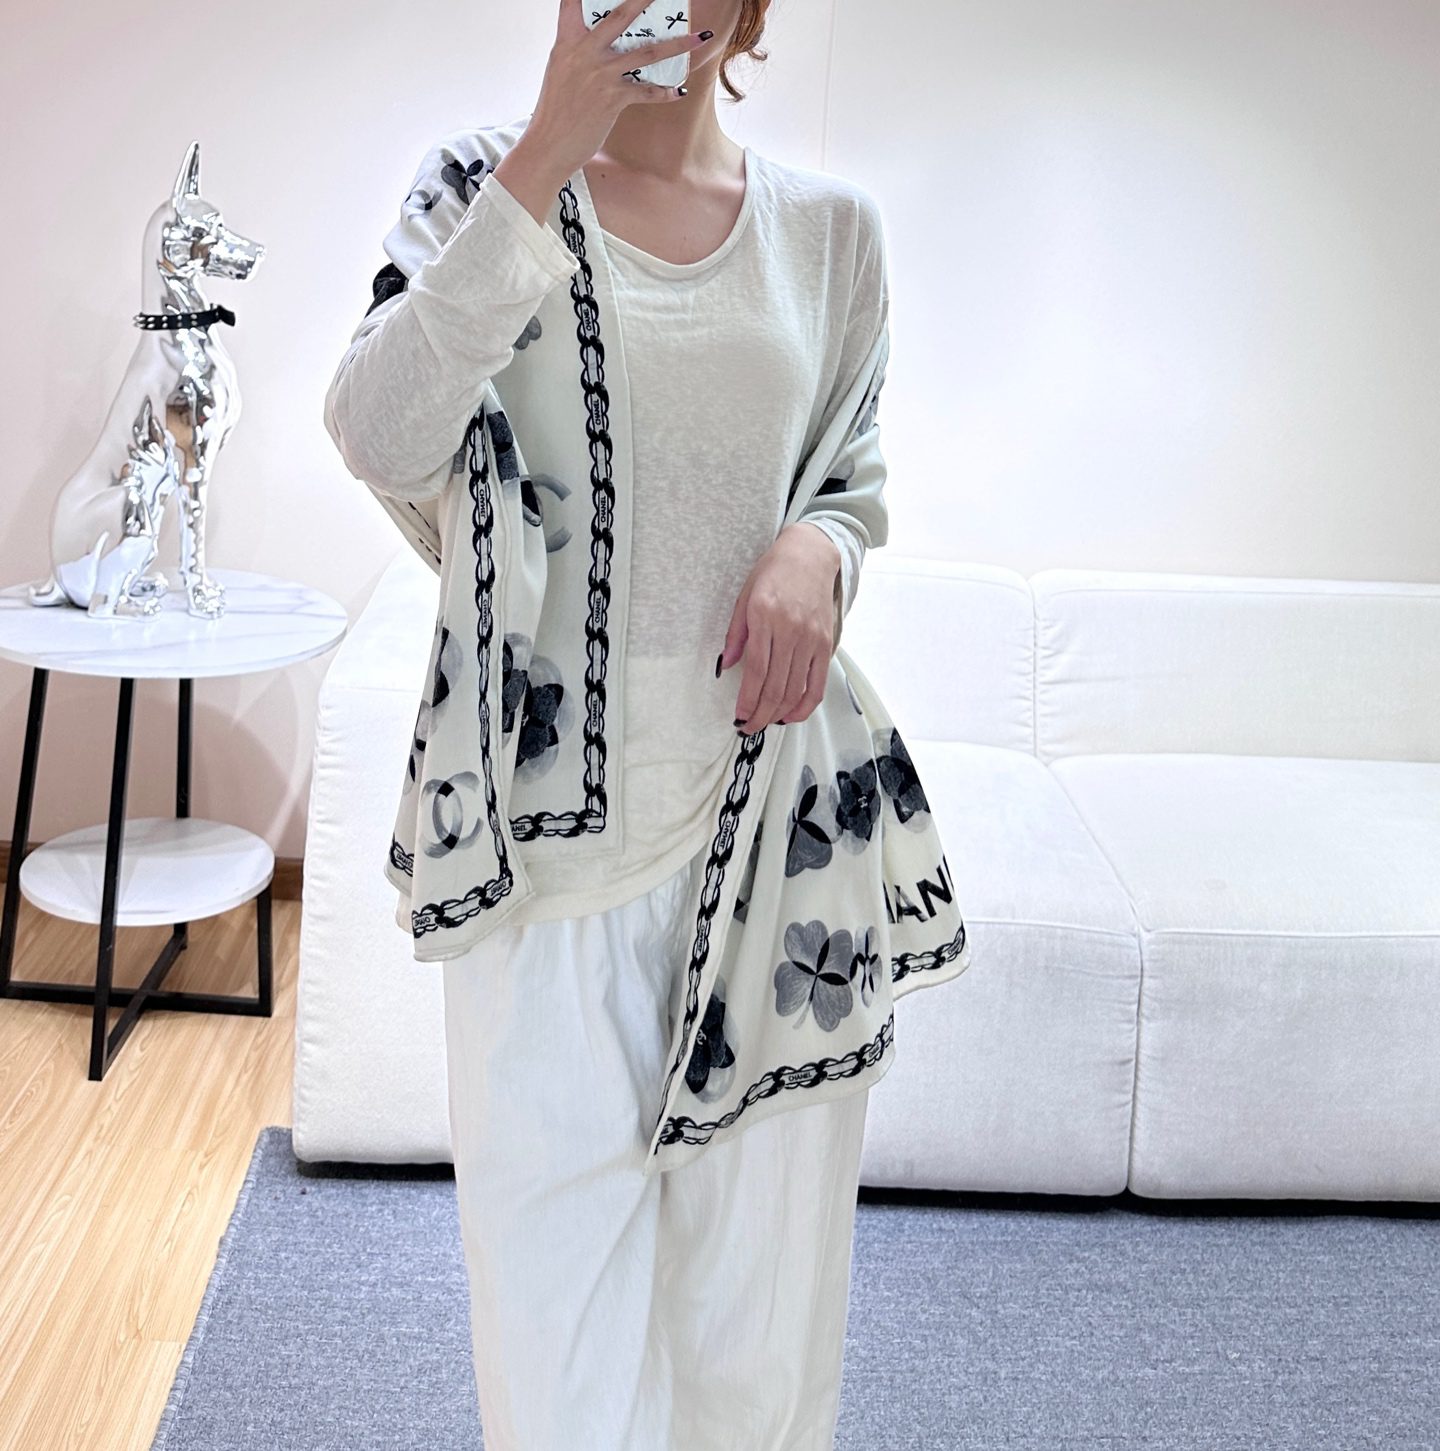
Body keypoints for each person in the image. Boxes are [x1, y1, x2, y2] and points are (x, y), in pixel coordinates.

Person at [323, 1, 903, 1445]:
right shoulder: (480, 187)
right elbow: (379, 433)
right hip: (546, 866)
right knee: (557, 1342)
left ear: (747, 13)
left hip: (777, 850)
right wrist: (545, 153)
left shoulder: (830, 235)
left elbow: (850, 471)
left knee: (759, 1341)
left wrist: (822, 548)